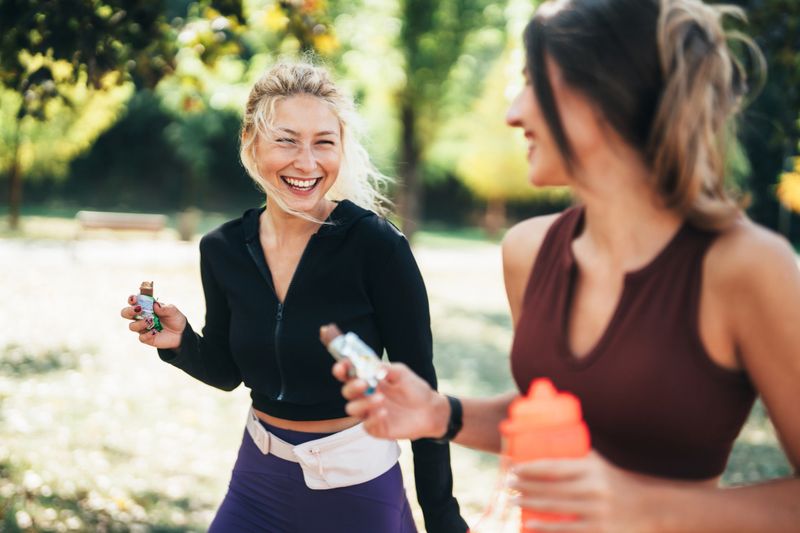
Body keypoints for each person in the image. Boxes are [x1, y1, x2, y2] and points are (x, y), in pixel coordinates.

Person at [335, 1, 800, 531]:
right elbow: (559, 413)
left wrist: (647, 506)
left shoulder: (745, 266)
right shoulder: (528, 251)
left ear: (606, 97)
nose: (514, 112)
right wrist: (442, 414)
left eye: (534, 83)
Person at [120, 60, 467, 533]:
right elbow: (228, 372)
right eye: (286, 140)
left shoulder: (377, 248)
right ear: (250, 144)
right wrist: (182, 343)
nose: (306, 163)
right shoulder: (222, 249)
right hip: (258, 480)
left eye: (324, 142)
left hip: (357, 487)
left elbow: (421, 392)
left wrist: (444, 518)